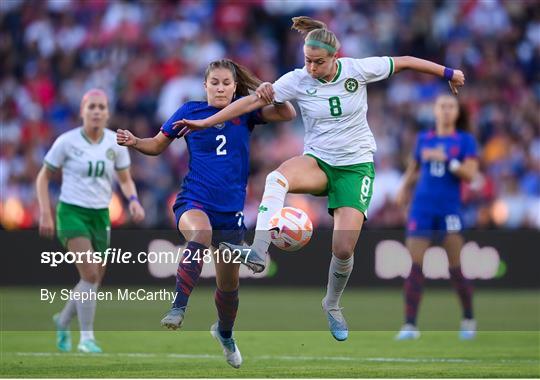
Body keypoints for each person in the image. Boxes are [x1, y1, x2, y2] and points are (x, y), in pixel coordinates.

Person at [175, 16, 466, 342]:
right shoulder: (297, 80)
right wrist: (208, 121)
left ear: (335, 58)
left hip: (355, 168)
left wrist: (448, 72)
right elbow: (249, 102)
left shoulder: (358, 69)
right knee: (276, 178)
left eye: (318, 62)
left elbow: (406, 61)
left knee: (342, 249)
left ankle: (332, 303)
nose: (311, 67)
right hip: (318, 162)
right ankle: (258, 250)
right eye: (307, 61)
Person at [116, 59, 295, 368]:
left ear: (235, 85)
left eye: (226, 82)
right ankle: (178, 308)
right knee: (201, 234)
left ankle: (224, 334)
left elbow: (287, 113)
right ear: (205, 86)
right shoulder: (189, 111)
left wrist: (270, 93)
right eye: (215, 82)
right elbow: (158, 145)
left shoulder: (244, 110)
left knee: (228, 288)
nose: (221, 87)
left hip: (230, 213)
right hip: (194, 201)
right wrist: (135, 142)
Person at [36, 89, 146, 353]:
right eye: (91, 107)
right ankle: (86, 338)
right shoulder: (67, 141)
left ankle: (62, 320)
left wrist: (133, 200)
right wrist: (45, 212)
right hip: (71, 211)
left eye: (101, 107)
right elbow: (43, 177)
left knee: (93, 280)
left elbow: (124, 178)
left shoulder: (114, 143)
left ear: (108, 113)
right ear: (83, 111)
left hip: (100, 214)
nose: (96, 111)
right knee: (90, 273)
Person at [394, 94, 479, 340]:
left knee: (455, 267)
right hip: (422, 208)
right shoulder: (424, 139)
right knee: (415, 265)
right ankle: (410, 325)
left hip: (449, 209)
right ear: (435, 111)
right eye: (442, 106)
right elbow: (414, 169)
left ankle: (468, 319)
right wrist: (403, 189)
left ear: (457, 112)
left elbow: (471, 175)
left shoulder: (465, 141)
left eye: (451, 106)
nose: (446, 110)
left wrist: (449, 160)